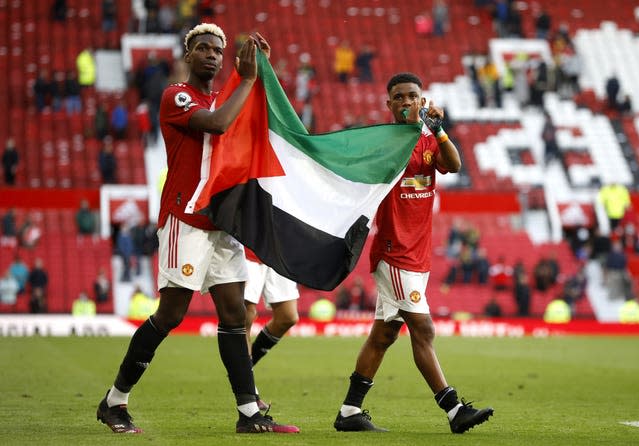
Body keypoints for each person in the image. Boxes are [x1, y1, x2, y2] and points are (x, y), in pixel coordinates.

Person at [95, 23, 299, 435]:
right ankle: (114, 401)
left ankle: (248, 413)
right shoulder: (177, 95)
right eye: (202, 48)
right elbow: (220, 124)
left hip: (221, 224)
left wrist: (259, 81)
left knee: (233, 318)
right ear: (188, 56)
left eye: (217, 50)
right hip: (184, 221)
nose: (210, 54)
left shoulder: (224, 95)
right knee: (170, 315)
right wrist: (246, 80)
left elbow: (250, 122)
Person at [333, 72, 493, 434]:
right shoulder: (382, 144)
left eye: (412, 96)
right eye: (399, 97)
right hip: (394, 253)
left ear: (422, 101)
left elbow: (452, 165)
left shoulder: (429, 140)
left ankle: (349, 411)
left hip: (418, 254)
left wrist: (439, 130)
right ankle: (454, 410)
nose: (406, 102)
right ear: (388, 104)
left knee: (383, 335)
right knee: (423, 328)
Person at [243, 249, 299, 408]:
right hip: (250, 248)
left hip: (280, 249)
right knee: (245, 317)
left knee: (287, 317)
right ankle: (249, 391)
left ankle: (240, 368)